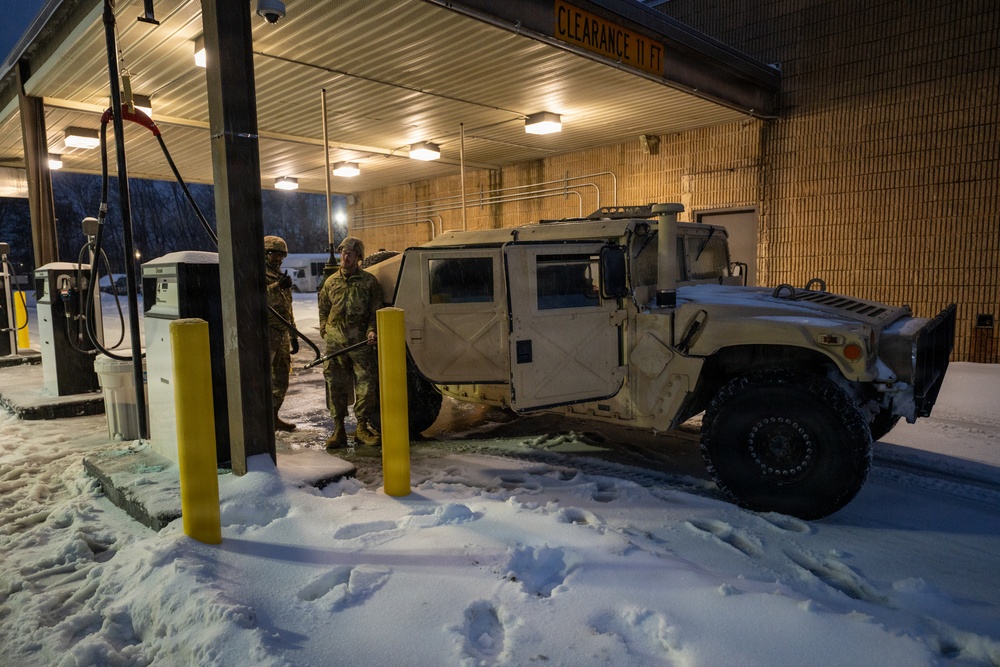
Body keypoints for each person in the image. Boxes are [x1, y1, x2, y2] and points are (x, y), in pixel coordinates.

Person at [317, 236, 383, 449]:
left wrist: (372, 330)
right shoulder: (331, 282)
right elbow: (324, 308)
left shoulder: (369, 282)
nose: (345, 257)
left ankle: (362, 428)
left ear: (359, 257)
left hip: (360, 344)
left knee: (366, 383)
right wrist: (324, 330)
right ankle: (339, 430)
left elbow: (376, 310)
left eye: (351, 253)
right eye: (343, 252)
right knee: (335, 385)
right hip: (335, 345)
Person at [264, 235, 299, 432]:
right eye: (272, 254)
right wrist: (278, 286)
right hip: (267, 333)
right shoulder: (258, 273)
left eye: (280, 255)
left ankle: (272, 415)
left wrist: (293, 334)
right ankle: (260, 419)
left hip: (283, 332)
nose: (276, 258)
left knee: (281, 378)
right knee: (263, 379)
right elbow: (257, 297)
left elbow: (288, 307)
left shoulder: (280, 275)